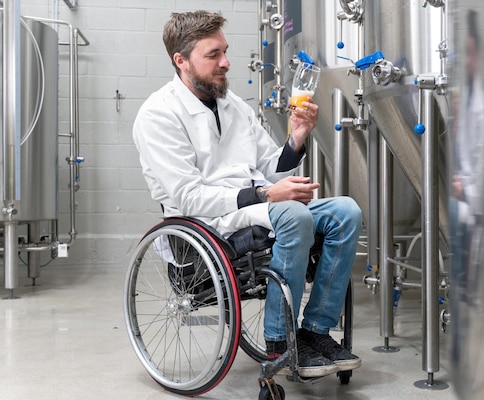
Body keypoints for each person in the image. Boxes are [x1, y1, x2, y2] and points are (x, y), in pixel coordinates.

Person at [132, 10, 362, 378]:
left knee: (346, 212)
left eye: (225, 51)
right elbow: (189, 197)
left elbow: (273, 165)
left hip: (257, 207)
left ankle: (315, 332)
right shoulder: (158, 114)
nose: (225, 62)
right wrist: (267, 194)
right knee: (295, 214)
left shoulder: (234, 105)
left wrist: (297, 137)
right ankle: (279, 343)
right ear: (181, 60)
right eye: (213, 55)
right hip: (208, 222)